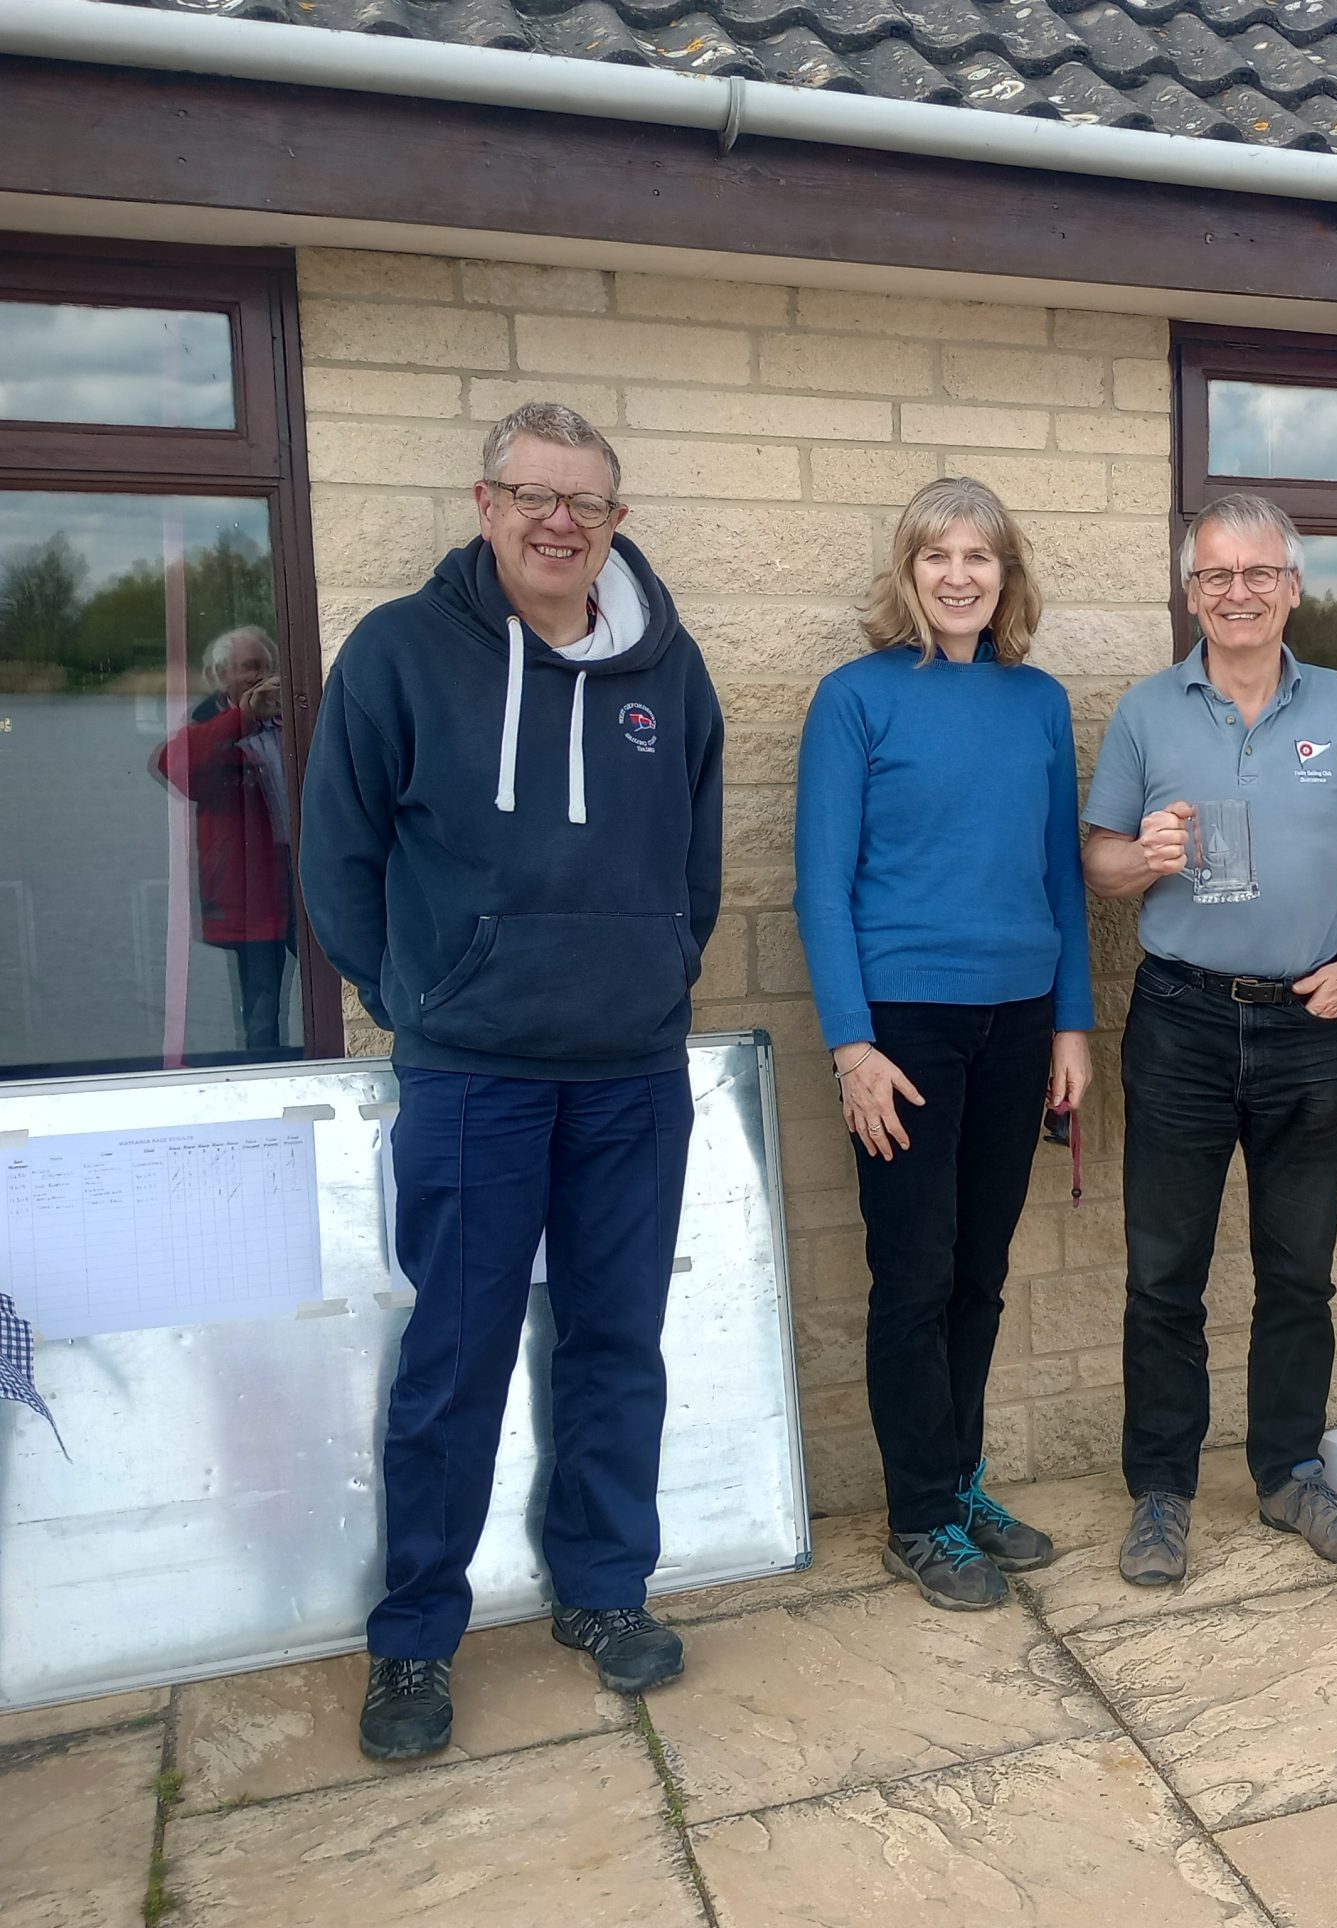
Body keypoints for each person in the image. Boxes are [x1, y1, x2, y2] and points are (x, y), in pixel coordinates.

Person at [300, 401, 722, 1761]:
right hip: (473, 1075)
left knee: (615, 1345)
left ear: (615, 521)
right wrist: (420, 1000)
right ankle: (415, 1635)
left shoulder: (671, 670)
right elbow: (338, 856)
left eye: (584, 502)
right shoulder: (400, 653)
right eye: (531, 495)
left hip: (630, 1074)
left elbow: (698, 859)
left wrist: (657, 973)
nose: (558, 522)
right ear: (485, 506)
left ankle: (602, 1587)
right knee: (455, 1356)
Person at [1082, 492, 1337, 1587]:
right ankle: (1161, 1492)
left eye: (1259, 573)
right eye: (1216, 575)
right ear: (1190, 593)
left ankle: (1288, 1473)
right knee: (1162, 1277)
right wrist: (1142, 858)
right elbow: (1097, 862)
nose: (1239, 592)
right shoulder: (1147, 712)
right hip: (1180, 1019)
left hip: (1311, 1023)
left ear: (1293, 587)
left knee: (1299, 1275)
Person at [793, 478, 1093, 1612]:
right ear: (907, 571)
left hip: (1019, 1020)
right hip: (903, 1029)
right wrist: (851, 1046)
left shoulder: (1039, 701)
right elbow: (820, 886)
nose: (959, 576)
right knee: (914, 1275)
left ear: (1006, 575)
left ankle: (960, 1481)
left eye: (979, 556)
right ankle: (918, 1515)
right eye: (937, 556)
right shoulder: (854, 698)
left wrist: (1072, 1024)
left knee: (980, 1271)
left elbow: (1061, 876)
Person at [152, 625, 296, 1055]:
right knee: (261, 1006)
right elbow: (176, 767)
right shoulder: (210, 726)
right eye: (250, 667)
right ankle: (265, 1078)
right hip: (251, 890)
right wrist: (244, 716)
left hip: (304, 879)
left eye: (267, 667)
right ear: (220, 676)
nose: (261, 676)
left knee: (331, 987)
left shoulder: (296, 720)